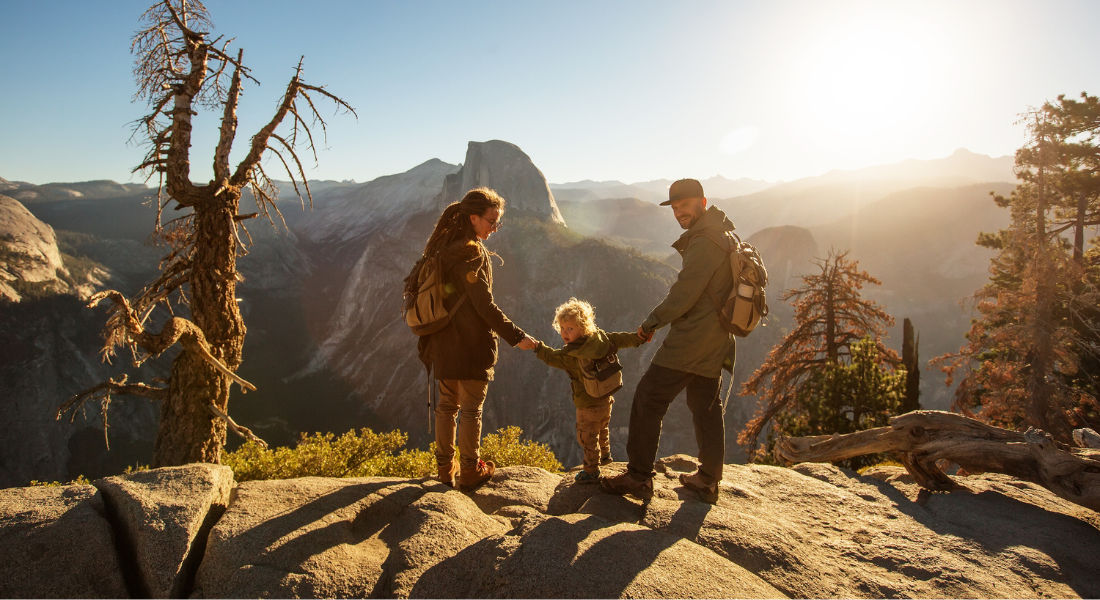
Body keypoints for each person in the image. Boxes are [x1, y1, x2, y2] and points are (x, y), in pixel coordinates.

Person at [599, 178, 736, 504]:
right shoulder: (724, 232)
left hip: (693, 338)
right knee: (705, 405)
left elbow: (685, 292)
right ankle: (708, 479)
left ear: (703, 202)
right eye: (675, 208)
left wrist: (651, 322)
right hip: (716, 336)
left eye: (685, 206)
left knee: (649, 398)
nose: (679, 213)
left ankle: (639, 477)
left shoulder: (706, 242)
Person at [406, 187, 538, 491]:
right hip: (470, 344)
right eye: (492, 221)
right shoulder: (472, 251)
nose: (495, 227)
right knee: (470, 410)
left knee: (446, 407)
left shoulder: (442, 248)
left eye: (498, 222)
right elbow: (483, 304)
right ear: (474, 218)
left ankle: (443, 469)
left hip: (441, 343)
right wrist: (516, 336)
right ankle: (468, 471)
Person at [532, 298, 649, 483]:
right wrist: (639, 338)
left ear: (582, 326)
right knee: (603, 428)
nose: (564, 333)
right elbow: (622, 339)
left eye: (570, 328)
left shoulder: (571, 354)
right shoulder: (602, 338)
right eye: (562, 328)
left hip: (586, 405)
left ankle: (591, 470)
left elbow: (551, 358)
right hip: (606, 398)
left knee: (587, 437)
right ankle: (605, 456)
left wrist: (537, 347)